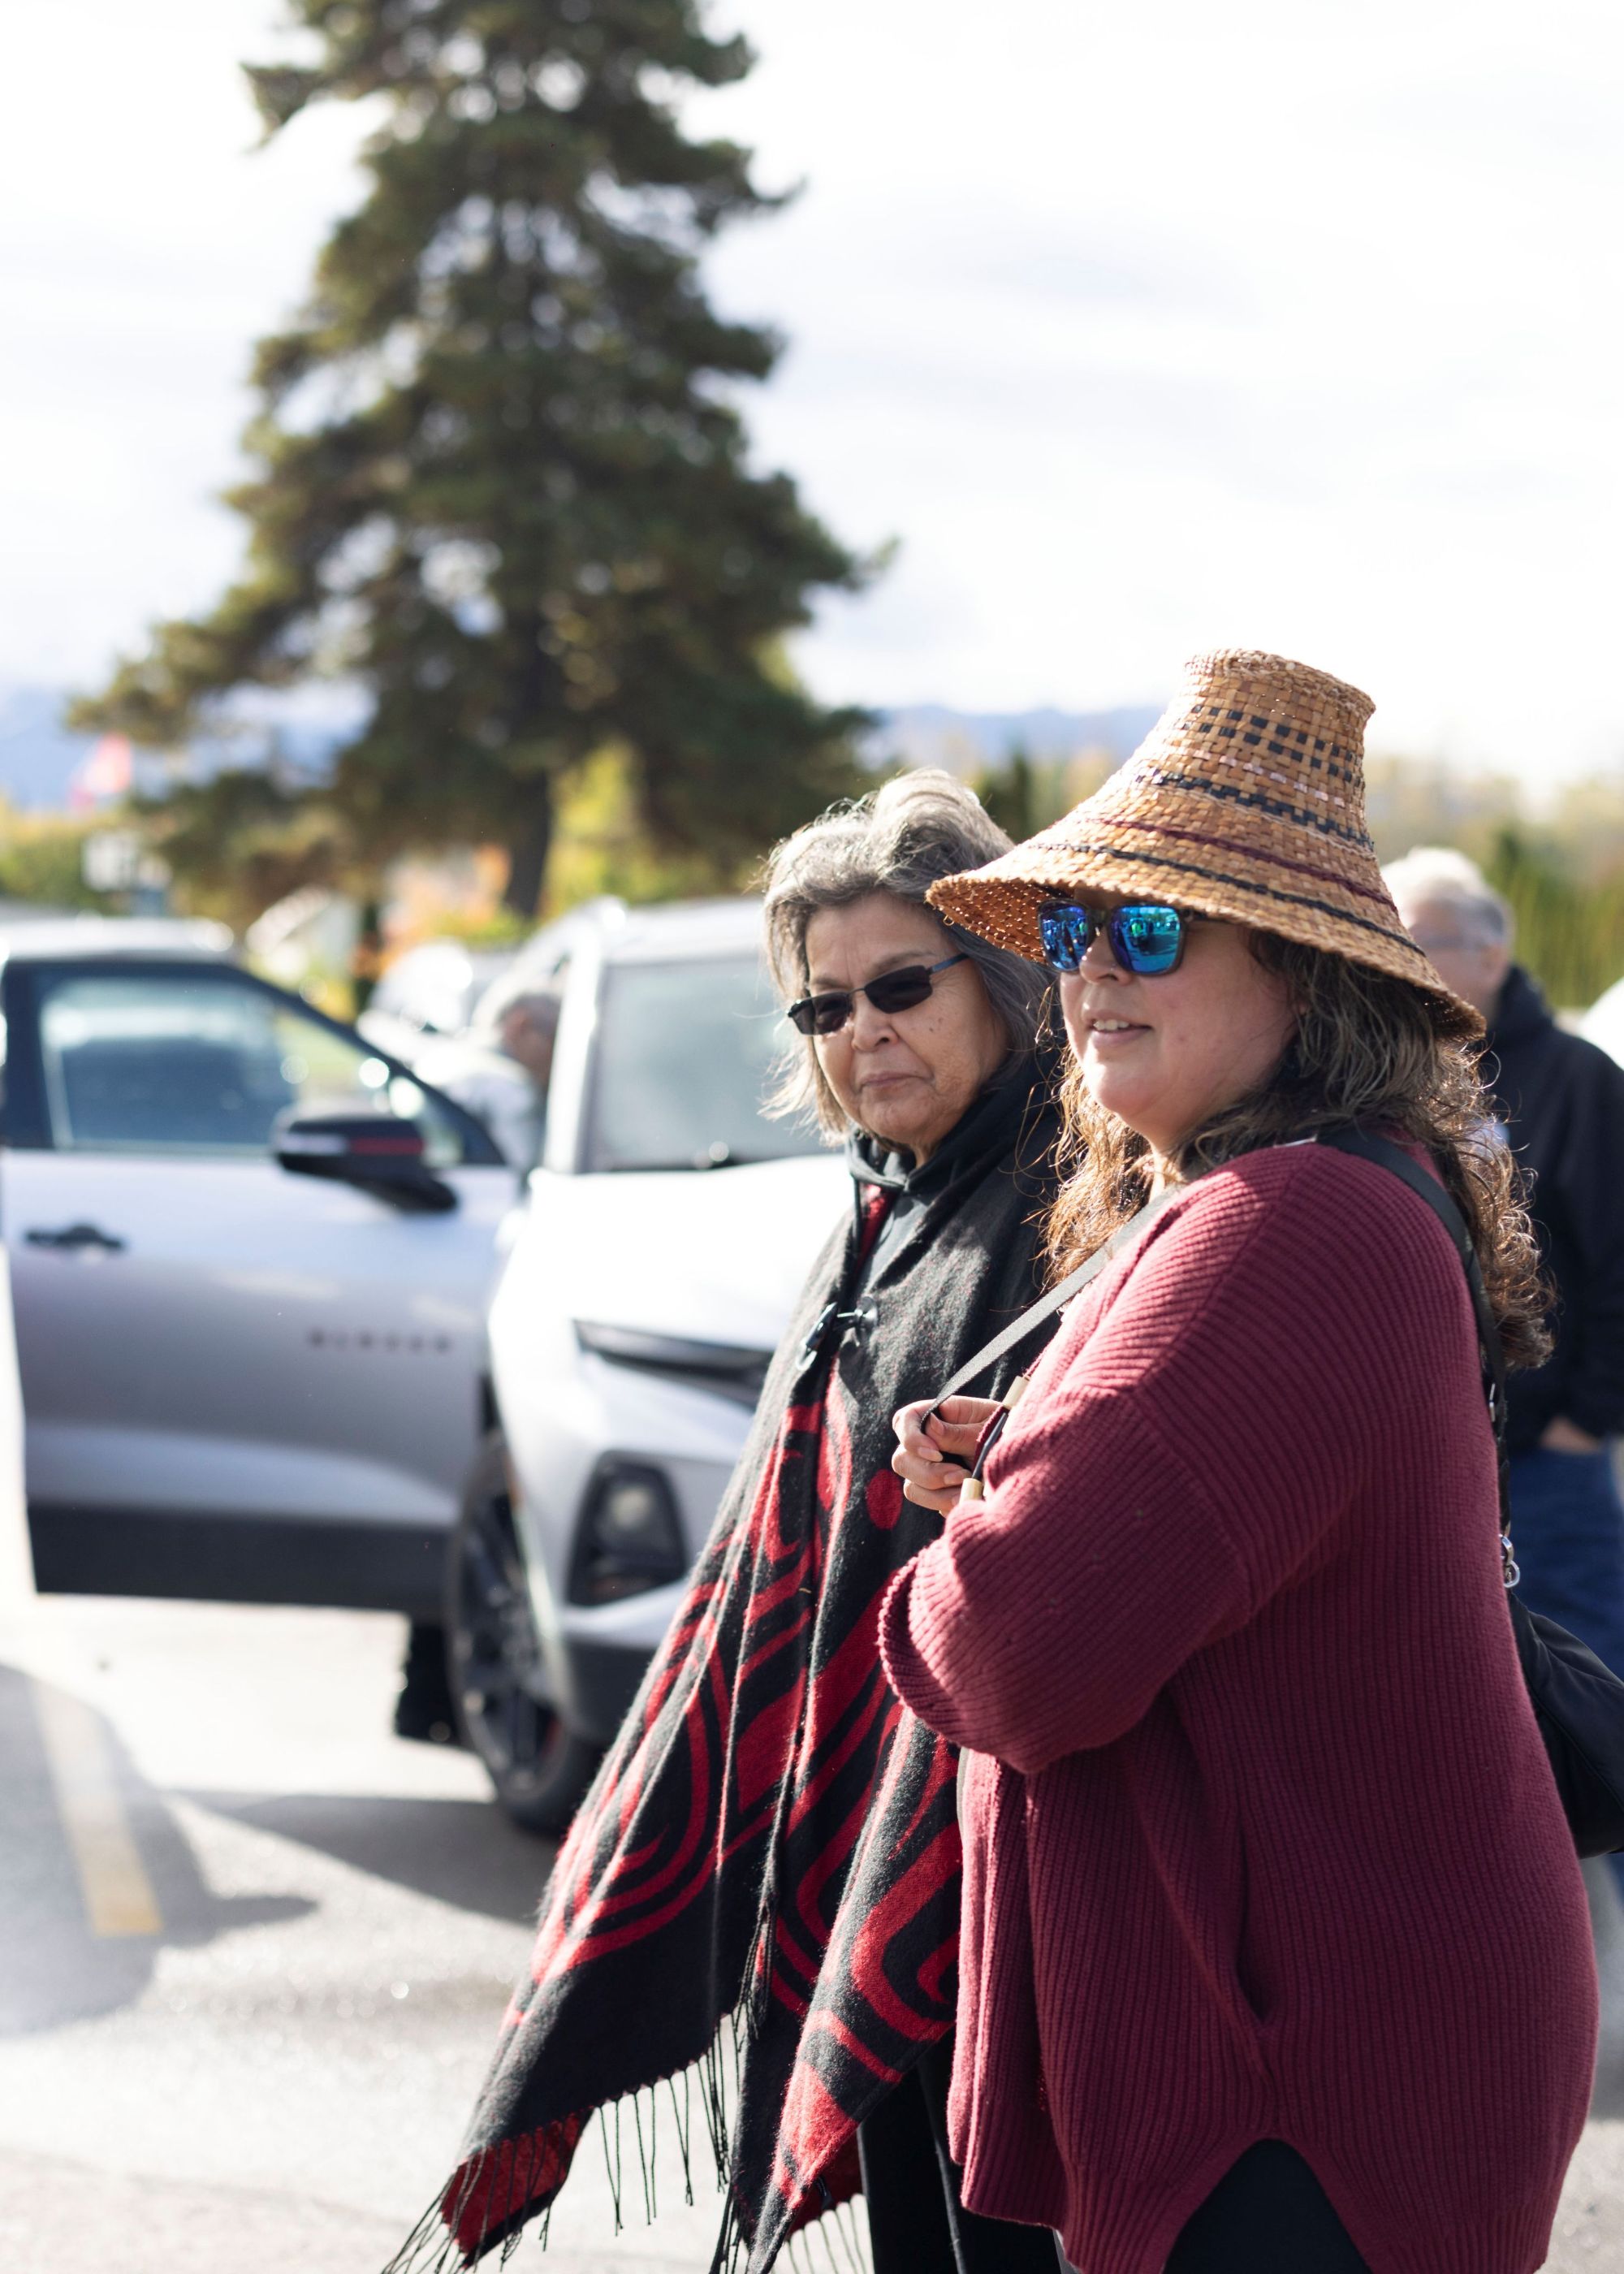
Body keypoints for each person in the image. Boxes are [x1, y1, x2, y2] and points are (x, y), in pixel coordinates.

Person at [883, 652, 1596, 2274]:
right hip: (1336, 2027)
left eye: (1147, 930)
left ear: (1297, 969)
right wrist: (1029, 1472)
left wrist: (954, 1559)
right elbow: (1232, 1507)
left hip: (1310, 2074)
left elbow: (1015, 1649)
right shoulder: (1302, 1190)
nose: (1087, 975)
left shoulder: (1284, 1224)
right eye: (1071, 931)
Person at [392, 772, 1062, 2274]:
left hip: (1008, 1853)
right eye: (824, 1012)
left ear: (1007, 976)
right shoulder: (883, 1206)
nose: (862, 1032)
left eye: (899, 986)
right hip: (870, 1812)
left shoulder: (1066, 1201)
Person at [1384, 849, 1624, 1787]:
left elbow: (1616, 1265)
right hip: (1444, 1468)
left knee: (1591, 1719)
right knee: (1482, 1743)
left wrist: (1582, 1425)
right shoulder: (1394, 1077)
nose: (1400, 959)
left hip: (1550, 1461)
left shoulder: (1577, 1079)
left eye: (1421, 941)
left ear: (1491, 953)